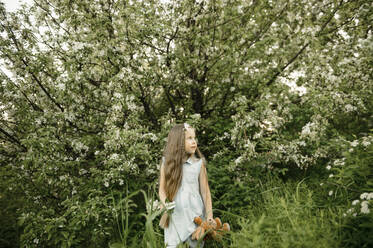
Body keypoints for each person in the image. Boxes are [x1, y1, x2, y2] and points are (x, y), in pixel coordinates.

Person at [158, 123, 215, 248]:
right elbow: (162, 190)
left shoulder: (198, 164)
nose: (194, 142)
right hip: (175, 219)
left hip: (195, 220)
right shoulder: (166, 163)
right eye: (189, 138)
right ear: (178, 141)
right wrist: (164, 203)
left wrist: (209, 217)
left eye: (194, 138)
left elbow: (205, 193)